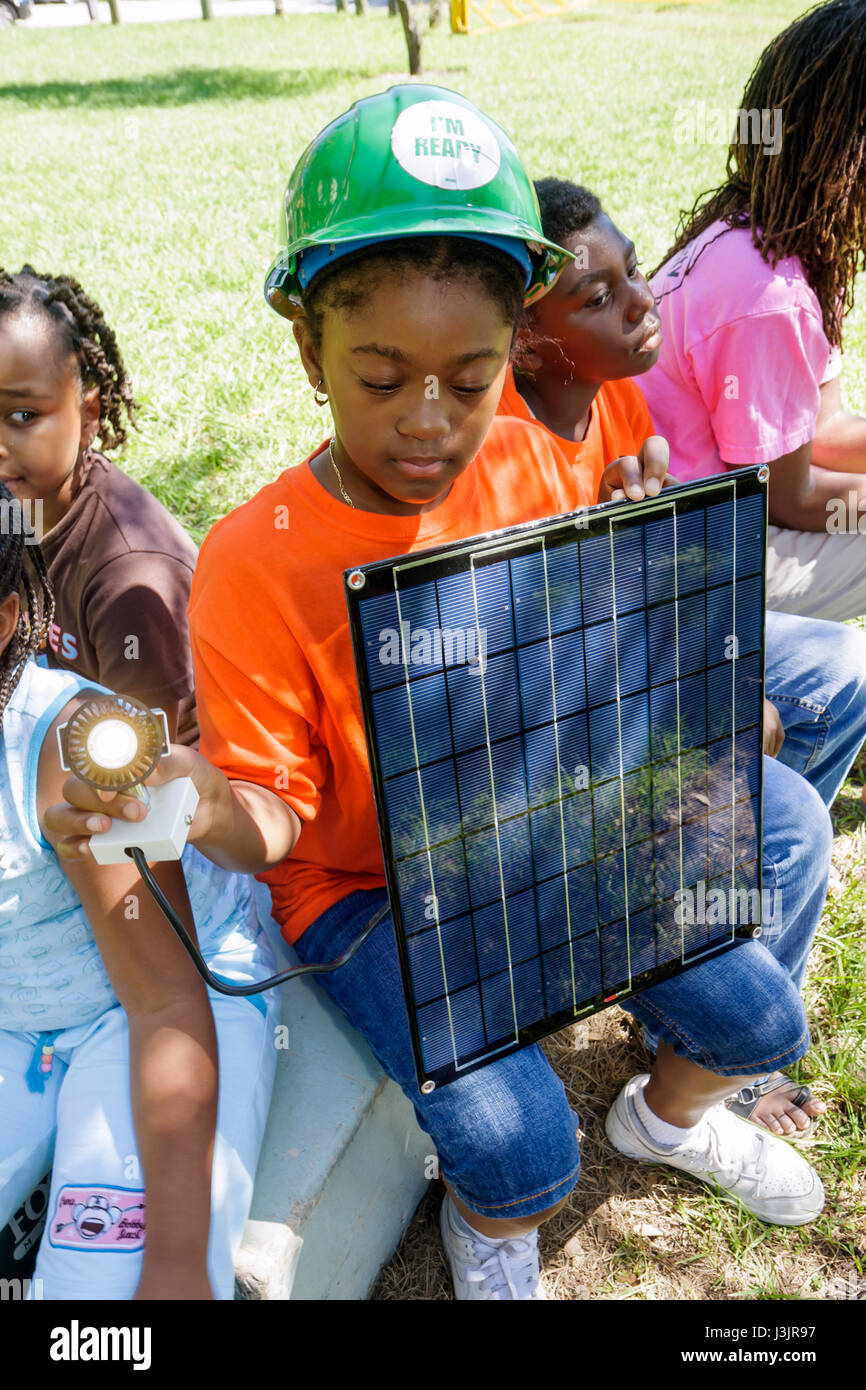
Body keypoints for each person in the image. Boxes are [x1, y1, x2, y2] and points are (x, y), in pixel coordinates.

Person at [48, 86, 832, 1302]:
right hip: (361, 887)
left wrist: (645, 587)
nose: (428, 421)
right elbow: (278, 822)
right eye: (380, 375)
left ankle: (662, 1123)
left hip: (530, 823)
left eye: (467, 381)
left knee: (756, 1018)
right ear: (308, 351)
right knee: (517, 1147)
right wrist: (194, 807)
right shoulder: (259, 560)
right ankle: (494, 1232)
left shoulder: (526, 463)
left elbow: (580, 684)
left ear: (511, 351)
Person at [500, 173, 866, 1136]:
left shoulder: (615, 404)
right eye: (599, 295)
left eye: (632, 272)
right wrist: (709, 721)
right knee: (780, 806)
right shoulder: (501, 450)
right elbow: (547, 677)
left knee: (836, 676)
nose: (641, 300)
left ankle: (719, 934)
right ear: (528, 338)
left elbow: (652, 590)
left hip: (639, 660)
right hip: (572, 732)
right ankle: (703, 1005)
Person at [0, 483, 278, 1299]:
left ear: (6, 618)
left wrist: (176, 1262)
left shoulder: (75, 755)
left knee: (110, 1311)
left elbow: (165, 1004)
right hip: (22, 1015)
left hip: (161, 1004)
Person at [638, 0, 866, 623]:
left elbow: (822, 431)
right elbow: (789, 499)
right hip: (676, 564)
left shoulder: (773, 235)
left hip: (718, 515)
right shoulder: (769, 293)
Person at [0, 266, 199, 744]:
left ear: (89, 414)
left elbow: (141, 764)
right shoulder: (15, 504)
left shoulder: (133, 579)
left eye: (23, 415)